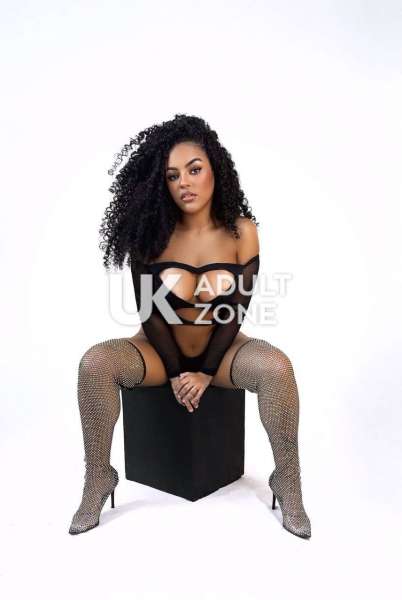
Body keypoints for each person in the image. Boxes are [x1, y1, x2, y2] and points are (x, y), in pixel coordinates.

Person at [68, 114, 311, 539]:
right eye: (172, 175)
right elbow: (150, 314)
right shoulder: (149, 234)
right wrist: (178, 371)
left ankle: (287, 479)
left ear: (216, 169)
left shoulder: (242, 232)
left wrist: (205, 371)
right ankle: (98, 477)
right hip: (158, 350)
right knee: (95, 363)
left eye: (194, 169)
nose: (184, 182)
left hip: (223, 351)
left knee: (277, 368)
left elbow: (235, 309)